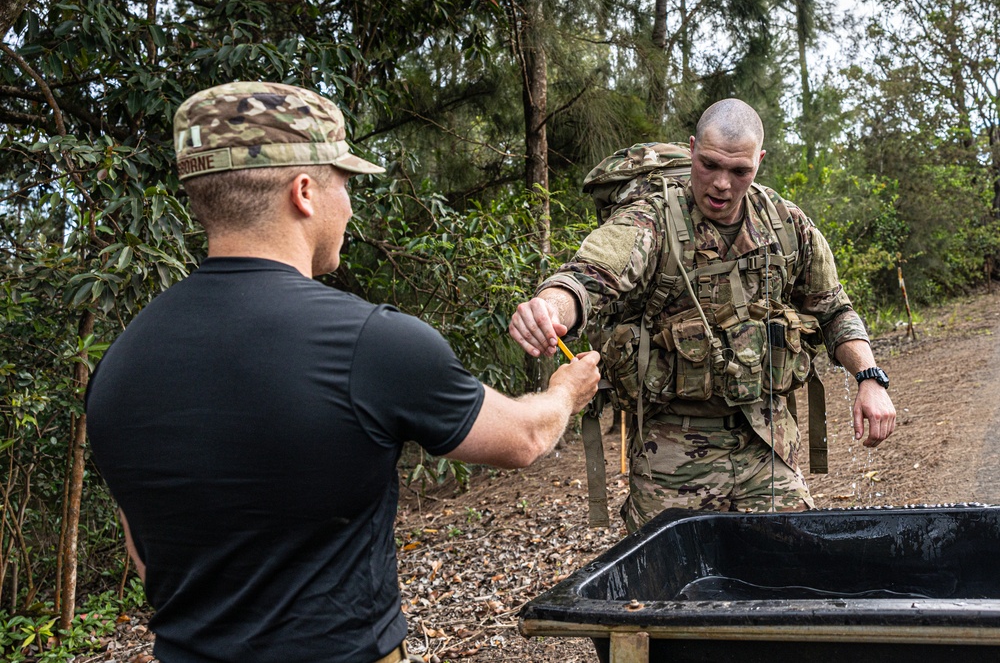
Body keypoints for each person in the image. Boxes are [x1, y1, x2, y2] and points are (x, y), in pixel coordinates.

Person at [86, 81, 600, 663]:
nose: (351, 204)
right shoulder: (371, 342)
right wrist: (566, 390)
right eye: (345, 183)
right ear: (304, 191)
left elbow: (146, 551)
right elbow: (524, 439)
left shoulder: (121, 363)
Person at [509, 98, 896, 532]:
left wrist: (869, 377)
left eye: (739, 171)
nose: (721, 185)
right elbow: (589, 277)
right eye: (709, 164)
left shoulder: (787, 225)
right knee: (668, 585)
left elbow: (833, 309)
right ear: (692, 149)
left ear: (759, 162)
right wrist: (550, 306)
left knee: (789, 566)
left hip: (765, 442)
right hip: (673, 451)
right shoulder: (651, 220)